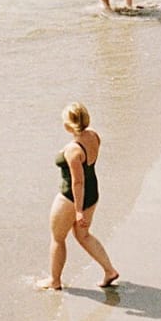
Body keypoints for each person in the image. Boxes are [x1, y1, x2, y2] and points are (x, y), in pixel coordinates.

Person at [42, 103, 119, 292]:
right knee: (83, 235)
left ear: (69, 125)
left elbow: (77, 182)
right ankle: (109, 271)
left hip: (71, 197)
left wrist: (77, 212)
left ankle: (55, 281)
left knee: (58, 238)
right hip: (93, 193)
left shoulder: (73, 150)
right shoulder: (93, 135)